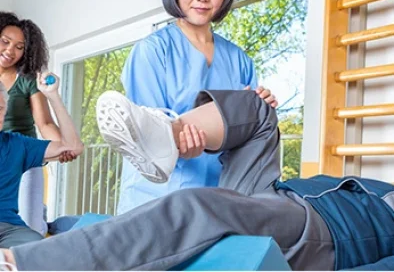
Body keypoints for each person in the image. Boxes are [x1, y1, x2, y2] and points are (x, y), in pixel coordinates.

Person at [2, 89, 392, 271]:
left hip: (325, 234)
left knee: (197, 209)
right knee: (257, 110)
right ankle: (168, 136)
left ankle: (26, 266)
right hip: (281, 197)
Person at [118, 0, 279, 212]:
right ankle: (169, 135)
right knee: (154, 132)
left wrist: (261, 104)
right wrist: (178, 143)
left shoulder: (239, 60)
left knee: (256, 114)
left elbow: (244, 138)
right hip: (155, 202)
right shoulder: (153, 51)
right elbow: (142, 144)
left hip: (219, 202)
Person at [0, 11, 76, 236]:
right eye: (5, 42)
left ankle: (45, 224)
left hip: (22, 156)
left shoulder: (27, 81)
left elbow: (44, 123)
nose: (10, 51)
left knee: (31, 227)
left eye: (19, 47)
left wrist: (62, 145)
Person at [0, 75, 83, 249]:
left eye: (0, 108)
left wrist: (53, 96)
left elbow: (72, 147)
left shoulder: (17, 144)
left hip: (8, 229)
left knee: (39, 249)